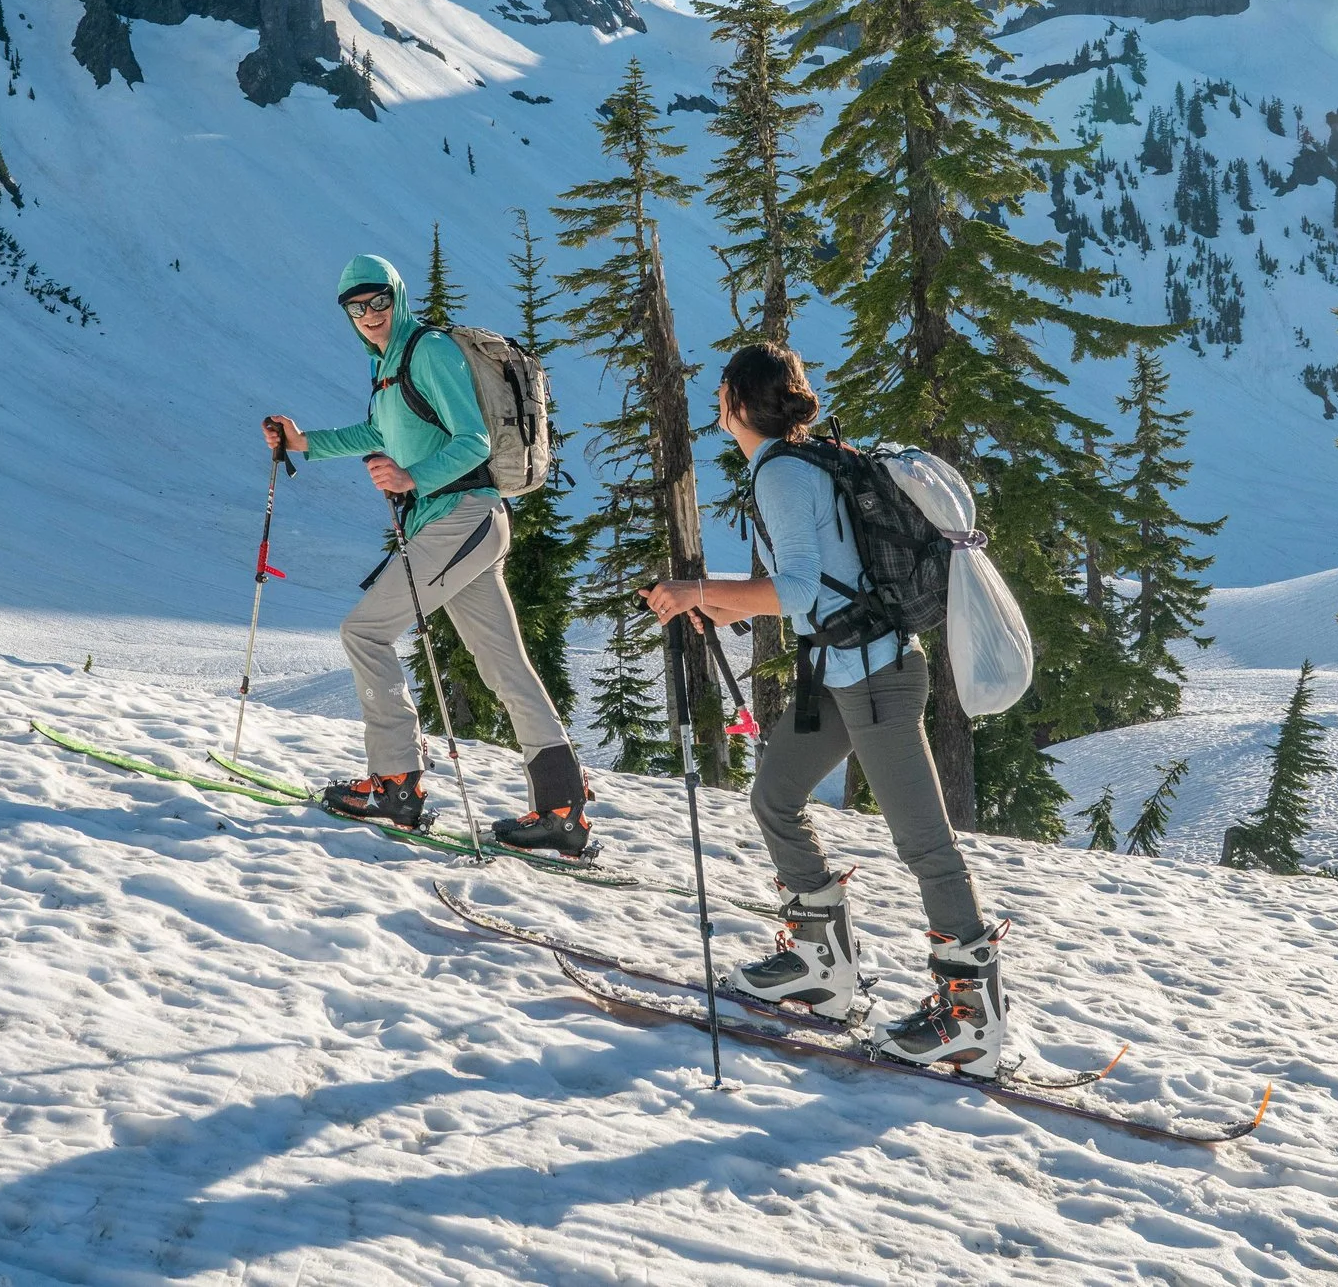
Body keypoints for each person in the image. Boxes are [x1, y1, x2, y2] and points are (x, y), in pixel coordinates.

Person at [640, 342, 1010, 1069]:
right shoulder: (806, 461)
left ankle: (972, 1017)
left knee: (927, 847)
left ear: (738, 402)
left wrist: (697, 592)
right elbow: (824, 583)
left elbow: (801, 590)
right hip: (847, 671)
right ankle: (821, 966)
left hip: (873, 679)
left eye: (722, 391)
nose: (718, 402)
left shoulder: (781, 470)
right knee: (775, 796)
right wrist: (715, 602)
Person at [264, 253, 594, 854]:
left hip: (460, 517)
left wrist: (412, 478)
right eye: (356, 307)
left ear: (398, 295)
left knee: (364, 631)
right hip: (455, 524)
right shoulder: (387, 366)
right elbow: (378, 434)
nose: (369, 315)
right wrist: (303, 442)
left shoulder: (428, 350)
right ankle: (562, 811)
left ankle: (396, 783)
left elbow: (474, 440)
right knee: (505, 669)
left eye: (378, 302)